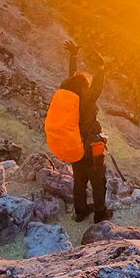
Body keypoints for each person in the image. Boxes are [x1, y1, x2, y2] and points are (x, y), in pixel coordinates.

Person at [54, 39, 110, 223]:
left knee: (79, 179)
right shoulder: (87, 98)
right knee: (97, 179)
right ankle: (100, 213)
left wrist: (73, 56)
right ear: (84, 86)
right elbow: (98, 86)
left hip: (74, 143)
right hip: (92, 145)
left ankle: (81, 210)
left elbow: (73, 76)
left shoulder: (70, 96)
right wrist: (101, 68)